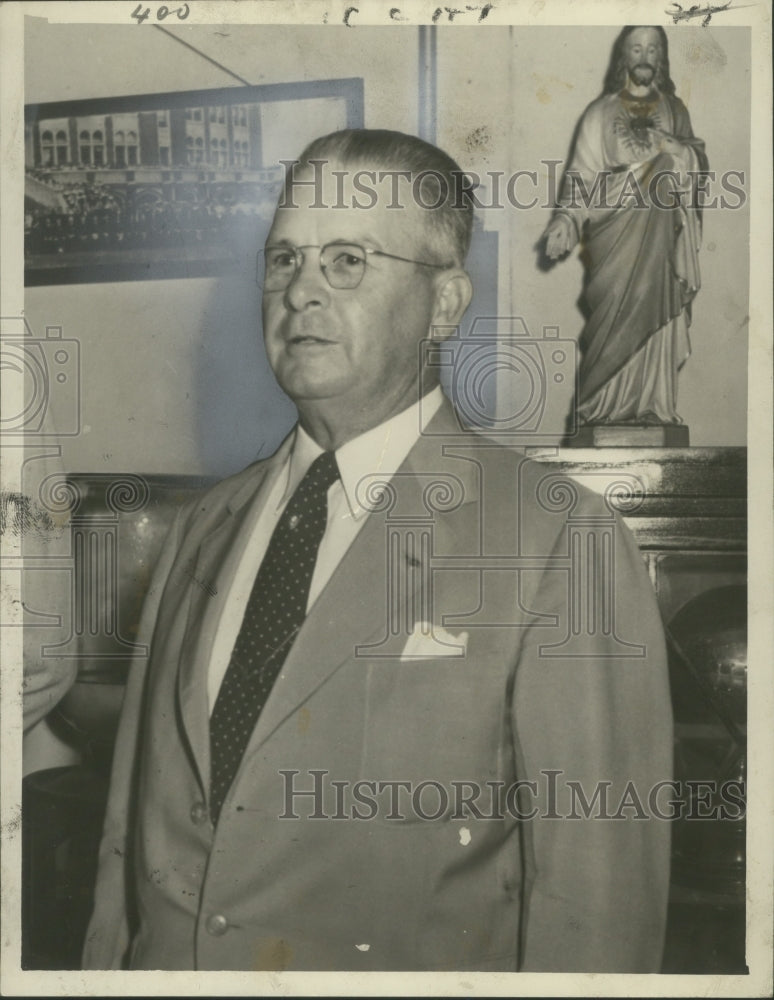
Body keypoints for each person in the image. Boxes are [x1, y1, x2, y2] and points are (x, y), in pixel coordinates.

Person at [83, 128, 672, 973]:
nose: (301, 294)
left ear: (444, 304)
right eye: (283, 260)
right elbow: (125, 845)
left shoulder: (557, 541)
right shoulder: (205, 525)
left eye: (348, 261)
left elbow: (598, 908)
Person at [543, 26, 707, 426]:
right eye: (637, 47)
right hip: (612, 234)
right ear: (624, 56)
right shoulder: (599, 112)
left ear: (661, 56)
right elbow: (581, 175)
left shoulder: (675, 110)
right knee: (613, 315)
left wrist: (678, 152)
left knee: (655, 303)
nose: (645, 55)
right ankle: (601, 407)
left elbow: (696, 166)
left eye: (653, 48)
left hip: (660, 242)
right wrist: (566, 218)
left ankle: (652, 405)